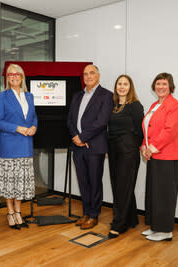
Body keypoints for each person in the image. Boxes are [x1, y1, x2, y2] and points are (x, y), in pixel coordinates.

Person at [67, 65, 113, 230]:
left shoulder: (106, 95)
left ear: (98, 75)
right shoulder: (77, 95)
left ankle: (94, 215)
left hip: (94, 146)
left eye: (92, 73)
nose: (88, 76)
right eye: (85, 74)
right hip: (78, 146)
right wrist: (76, 137)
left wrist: (83, 137)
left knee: (94, 182)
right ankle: (86, 213)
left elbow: (101, 121)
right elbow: (70, 119)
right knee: (83, 182)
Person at [140, 72, 178, 242]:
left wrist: (151, 148)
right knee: (154, 193)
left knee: (164, 194)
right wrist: (144, 146)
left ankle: (165, 231)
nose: (160, 87)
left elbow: (170, 131)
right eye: (158, 84)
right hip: (154, 156)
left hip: (167, 156)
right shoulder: (154, 105)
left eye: (164, 84)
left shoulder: (175, 105)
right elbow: (147, 128)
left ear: (170, 86)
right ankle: (155, 227)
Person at [0, 64, 37, 230]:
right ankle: (10, 212)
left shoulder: (30, 96)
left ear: (22, 76)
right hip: (10, 145)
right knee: (10, 182)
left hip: (26, 144)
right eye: (10, 74)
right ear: (7, 78)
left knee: (20, 182)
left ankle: (18, 212)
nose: (14, 76)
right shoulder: (2, 96)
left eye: (17, 73)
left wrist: (34, 127)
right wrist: (17, 128)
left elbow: (34, 118)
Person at [107, 75, 144, 238]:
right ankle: (130, 218)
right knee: (118, 185)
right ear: (116, 87)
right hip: (113, 149)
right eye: (119, 84)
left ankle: (119, 224)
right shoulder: (113, 105)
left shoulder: (135, 106)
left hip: (128, 151)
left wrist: (134, 147)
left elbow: (140, 131)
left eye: (125, 84)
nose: (122, 87)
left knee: (123, 186)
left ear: (130, 87)